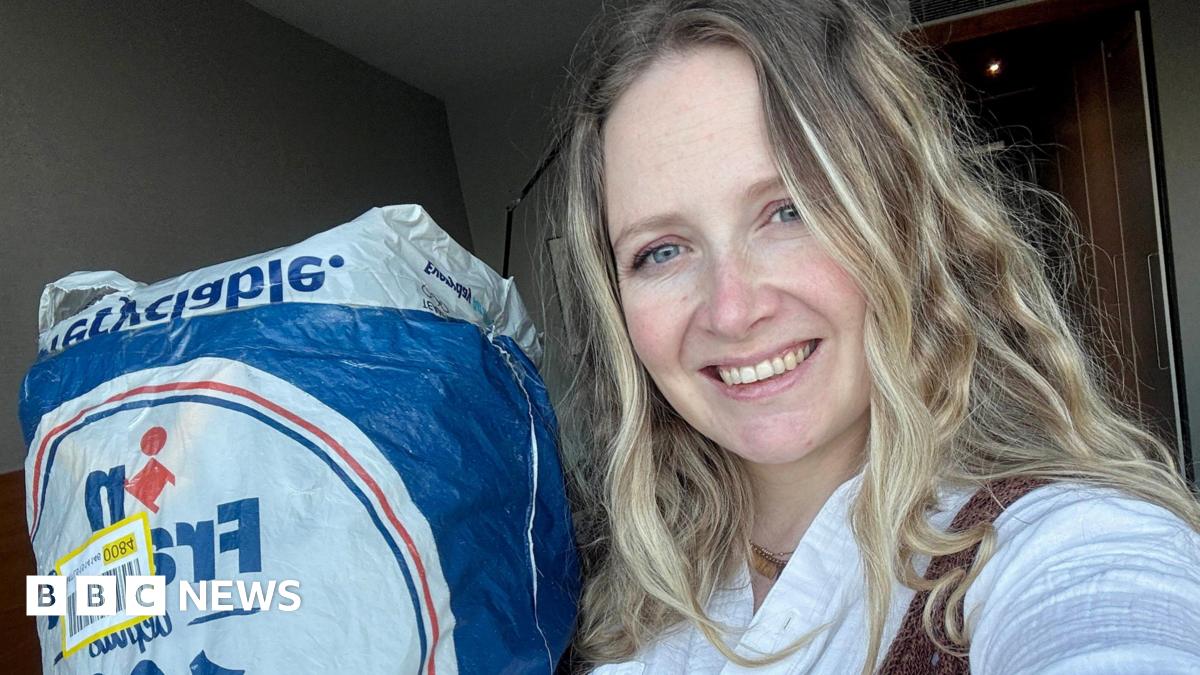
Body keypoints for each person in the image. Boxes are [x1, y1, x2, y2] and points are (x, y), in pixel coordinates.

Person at [548, 0, 1200, 673]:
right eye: (661, 251)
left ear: (904, 224)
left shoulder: (1066, 544)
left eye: (789, 210)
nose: (731, 310)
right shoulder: (641, 596)